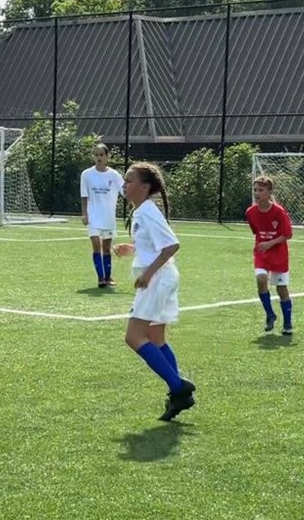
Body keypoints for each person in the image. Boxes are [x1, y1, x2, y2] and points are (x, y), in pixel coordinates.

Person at [113, 162, 195, 421]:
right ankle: (178, 394)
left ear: (144, 187)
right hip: (162, 279)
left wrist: (147, 274)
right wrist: (132, 249)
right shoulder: (142, 211)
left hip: (157, 280)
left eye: (129, 181)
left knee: (133, 337)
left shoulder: (147, 211)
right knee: (155, 337)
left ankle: (178, 387)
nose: (124, 185)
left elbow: (171, 246)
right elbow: (155, 246)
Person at [245, 176, 294, 335]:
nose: (256, 193)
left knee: (281, 289)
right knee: (261, 279)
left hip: (278, 254)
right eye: (255, 190)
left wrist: (270, 243)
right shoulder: (250, 212)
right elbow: (256, 231)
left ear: (269, 192)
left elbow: (288, 234)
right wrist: (264, 244)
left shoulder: (279, 212)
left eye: (261, 190)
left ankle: (287, 323)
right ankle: (270, 314)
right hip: (261, 253)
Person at [80, 143, 125, 288]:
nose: (99, 158)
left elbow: (125, 192)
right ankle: (100, 278)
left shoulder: (114, 175)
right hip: (93, 216)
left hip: (108, 217)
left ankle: (108, 277)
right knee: (96, 245)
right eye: (96, 155)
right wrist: (84, 213)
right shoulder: (86, 174)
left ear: (107, 157)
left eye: (101, 155)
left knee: (106, 248)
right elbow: (84, 195)